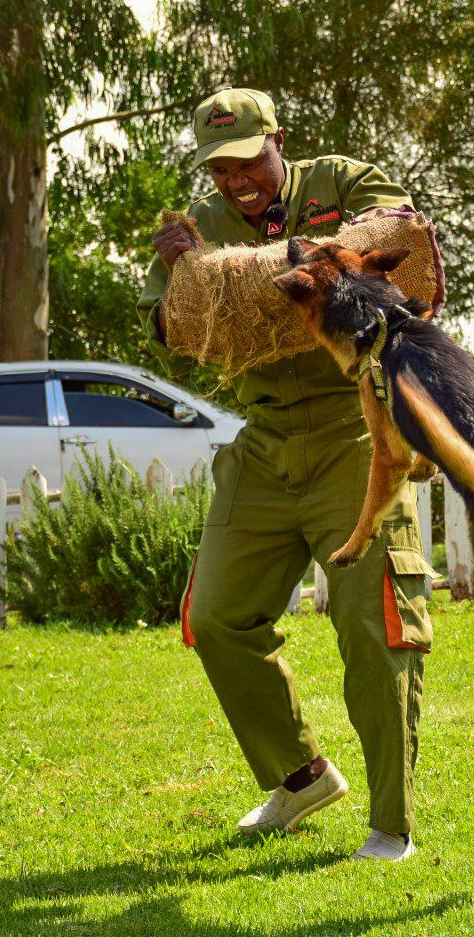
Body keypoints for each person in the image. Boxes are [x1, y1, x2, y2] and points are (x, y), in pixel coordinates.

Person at [137, 88, 431, 862]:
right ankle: (299, 776)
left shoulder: (340, 182)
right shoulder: (199, 227)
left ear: (277, 141)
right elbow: (168, 331)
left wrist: (272, 266)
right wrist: (185, 275)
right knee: (217, 616)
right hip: (265, 438)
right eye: (218, 168)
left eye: (246, 162)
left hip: (355, 431)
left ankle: (390, 825)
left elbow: (404, 232)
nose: (235, 181)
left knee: (374, 621)